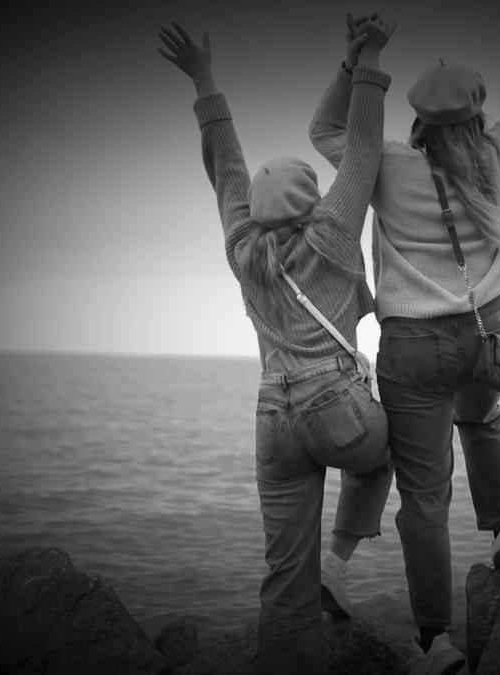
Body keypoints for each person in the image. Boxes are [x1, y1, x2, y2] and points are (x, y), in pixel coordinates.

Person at [309, 1, 500, 671]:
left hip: (412, 346)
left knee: (425, 498)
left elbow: (323, 127)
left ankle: (435, 639)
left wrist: (354, 58)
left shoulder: (384, 161)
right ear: (476, 111)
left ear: (416, 118)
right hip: (487, 333)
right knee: (484, 415)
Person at [157, 16, 397, 674]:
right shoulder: (332, 232)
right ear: (311, 201)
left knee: (283, 581)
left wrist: (205, 81)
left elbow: (228, 167)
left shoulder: (243, 245)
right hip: (338, 407)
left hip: (272, 418)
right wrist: (368, 61)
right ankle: (342, 559)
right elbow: (365, 153)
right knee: (393, 445)